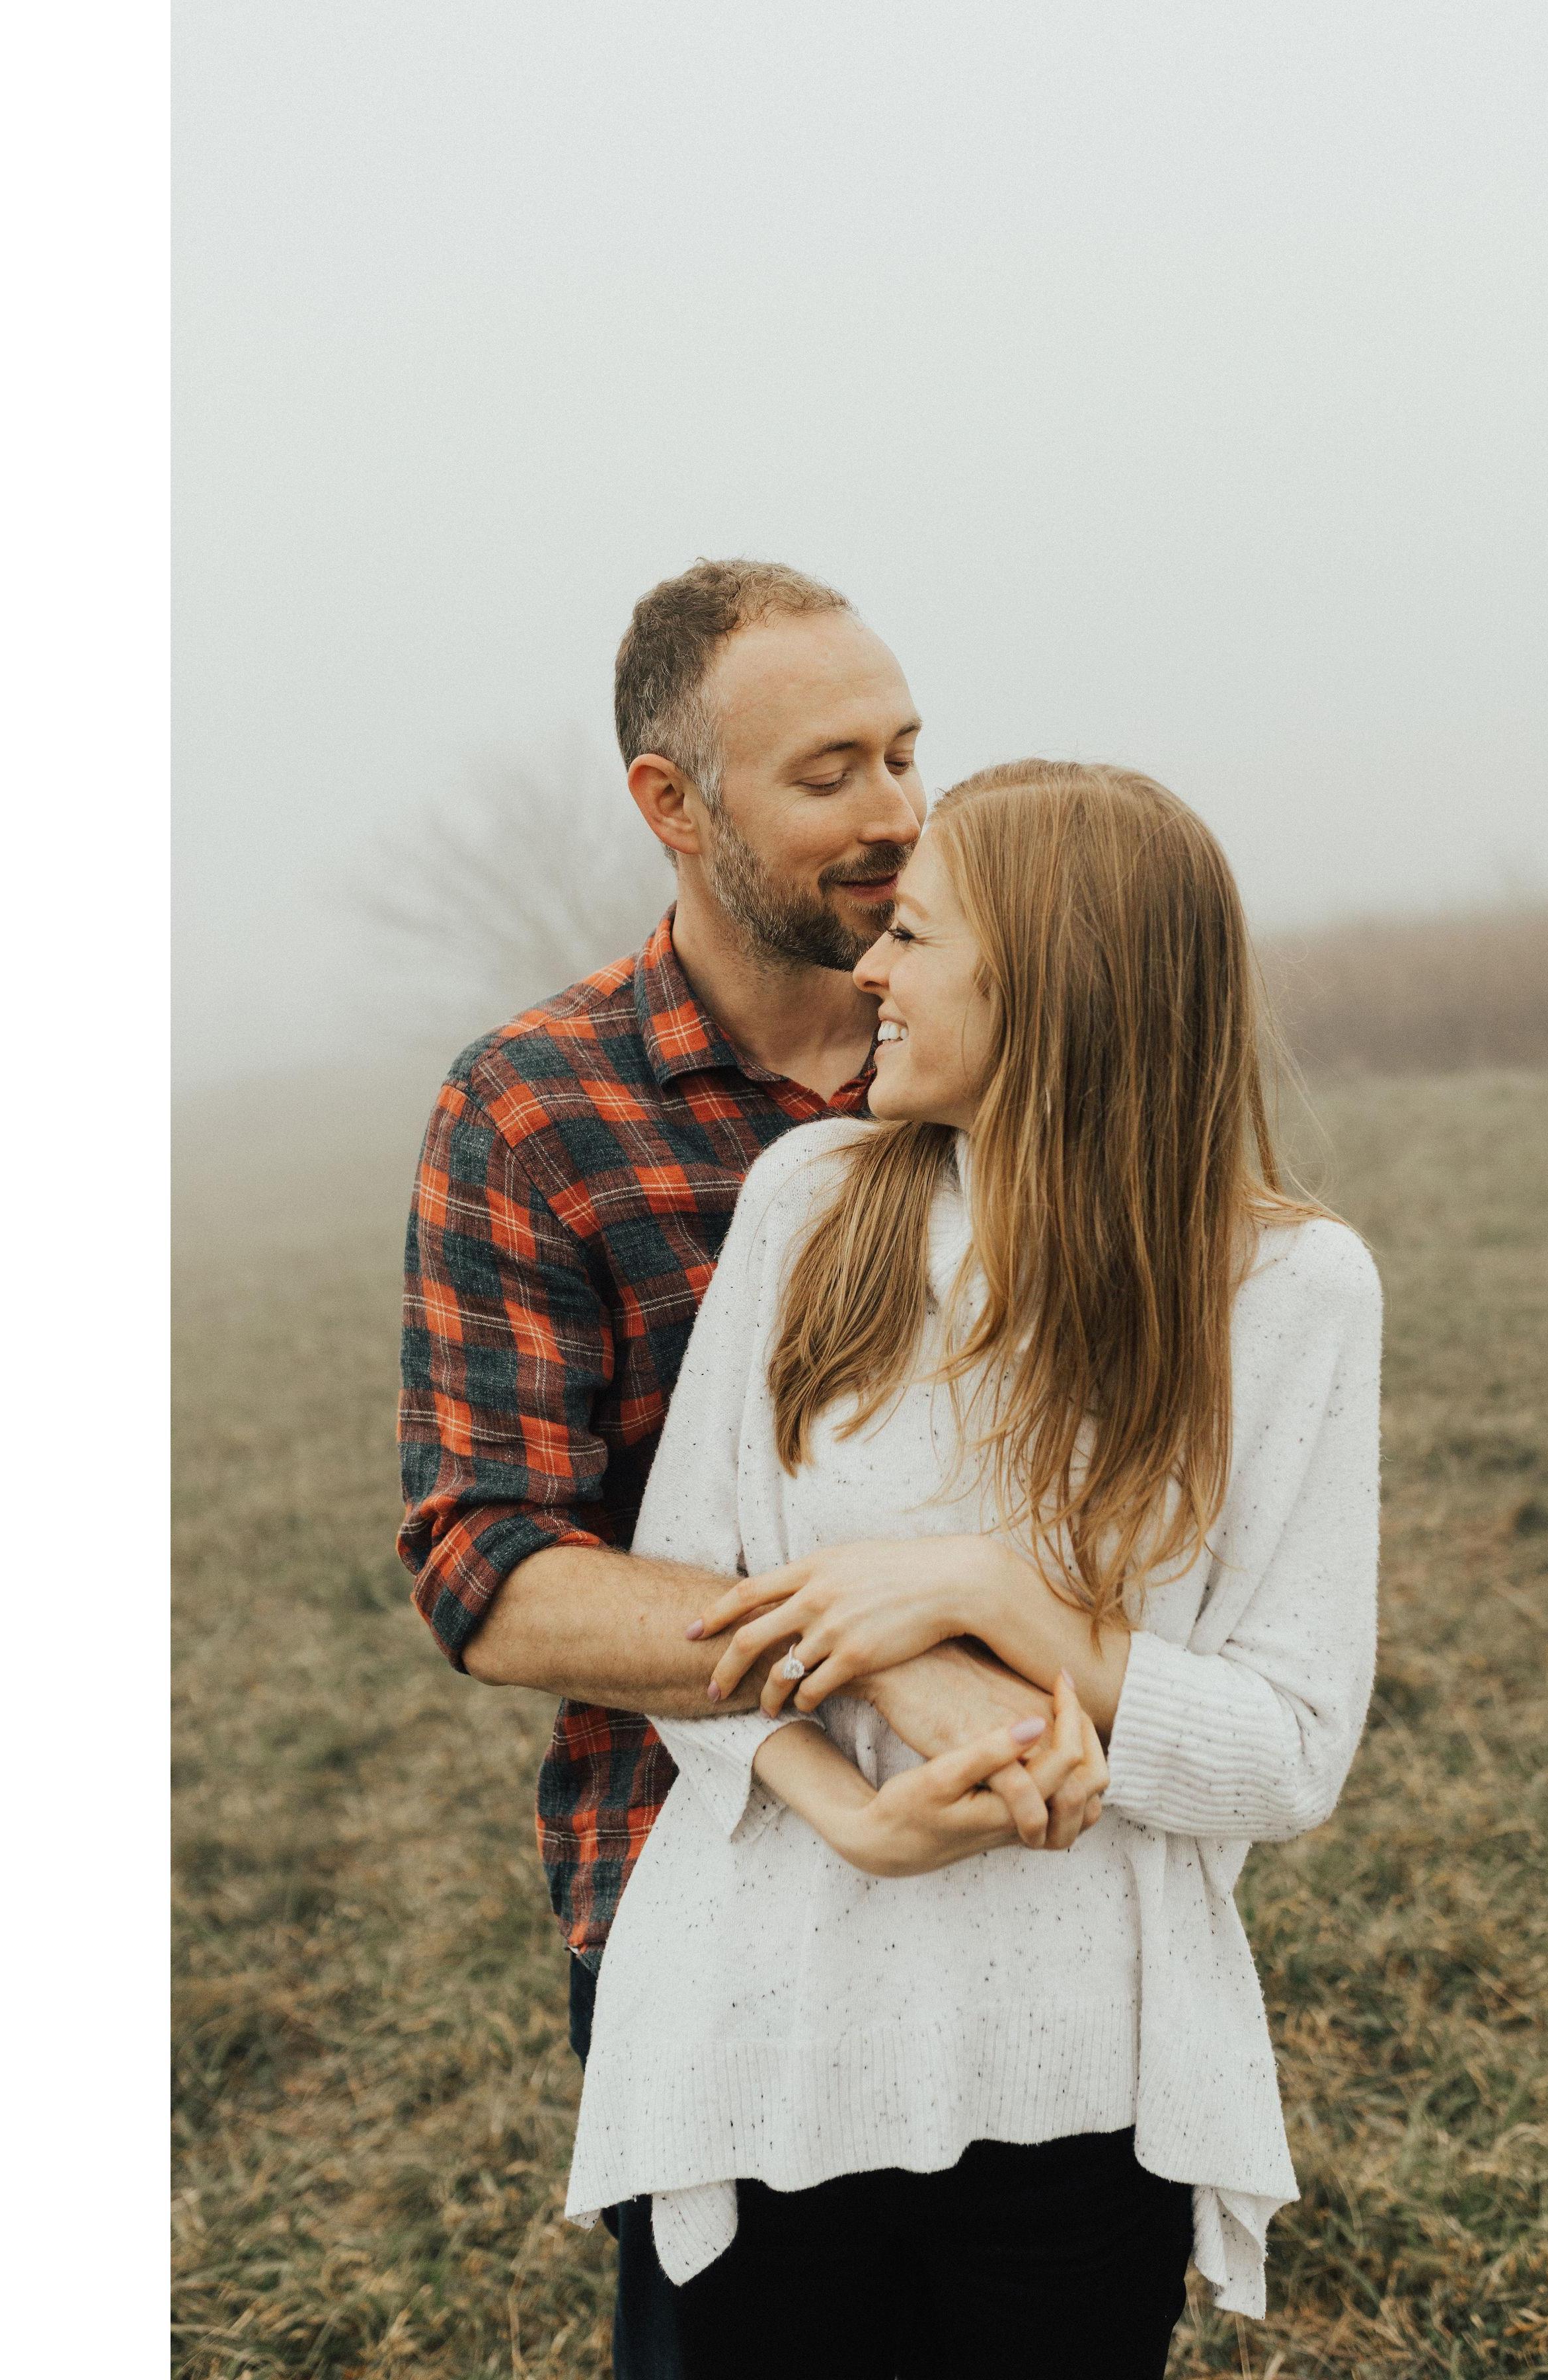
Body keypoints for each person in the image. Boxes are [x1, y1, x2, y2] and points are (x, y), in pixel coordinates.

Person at [564, 762, 1384, 2377]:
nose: (869, 969)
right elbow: (684, 1596)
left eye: (918, 939)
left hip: (1085, 2075)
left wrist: (994, 1598)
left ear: (1061, 990)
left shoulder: (1294, 1290)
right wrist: (854, 1810)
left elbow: (1290, 1751)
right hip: (774, 2032)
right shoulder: (814, 1205)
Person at [397, 562, 1104, 2378]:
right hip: (709, 1903)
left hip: (1040, 1878)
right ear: (671, 806)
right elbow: (492, 1569)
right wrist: (886, 1650)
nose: (894, 814)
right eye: (827, 776)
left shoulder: (1024, 1061)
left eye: (905, 753)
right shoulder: (541, 1111)